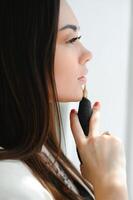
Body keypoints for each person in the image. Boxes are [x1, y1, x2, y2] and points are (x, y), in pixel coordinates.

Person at [0, 0, 128, 199]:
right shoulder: (12, 183)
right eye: (71, 39)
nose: (87, 54)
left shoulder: (44, 153)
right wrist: (111, 184)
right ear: (24, 53)